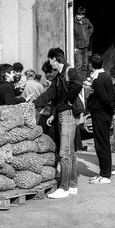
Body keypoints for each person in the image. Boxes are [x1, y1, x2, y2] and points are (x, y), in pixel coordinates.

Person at [34, 48, 82, 198]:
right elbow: (52, 95)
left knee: (64, 153)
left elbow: (78, 84)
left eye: (50, 60)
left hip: (67, 115)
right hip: (62, 114)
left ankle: (64, 187)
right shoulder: (60, 76)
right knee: (71, 152)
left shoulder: (69, 70)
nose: (49, 63)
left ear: (55, 59)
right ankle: (73, 185)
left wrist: (68, 100)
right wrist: (36, 104)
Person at [86, 53, 115, 184]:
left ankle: (105, 175)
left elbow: (105, 99)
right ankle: (102, 172)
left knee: (102, 144)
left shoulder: (98, 79)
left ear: (91, 65)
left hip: (101, 114)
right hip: (103, 114)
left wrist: (110, 112)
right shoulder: (105, 76)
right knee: (101, 143)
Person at [74, 6, 94, 78]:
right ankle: (77, 79)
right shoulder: (73, 22)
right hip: (78, 47)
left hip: (85, 46)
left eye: (80, 15)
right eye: (77, 14)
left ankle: (83, 78)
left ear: (83, 15)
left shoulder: (86, 21)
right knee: (79, 64)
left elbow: (91, 27)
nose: (78, 16)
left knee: (85, 64)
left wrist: (88, 34)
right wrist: (74, 46)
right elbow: (72, 35)